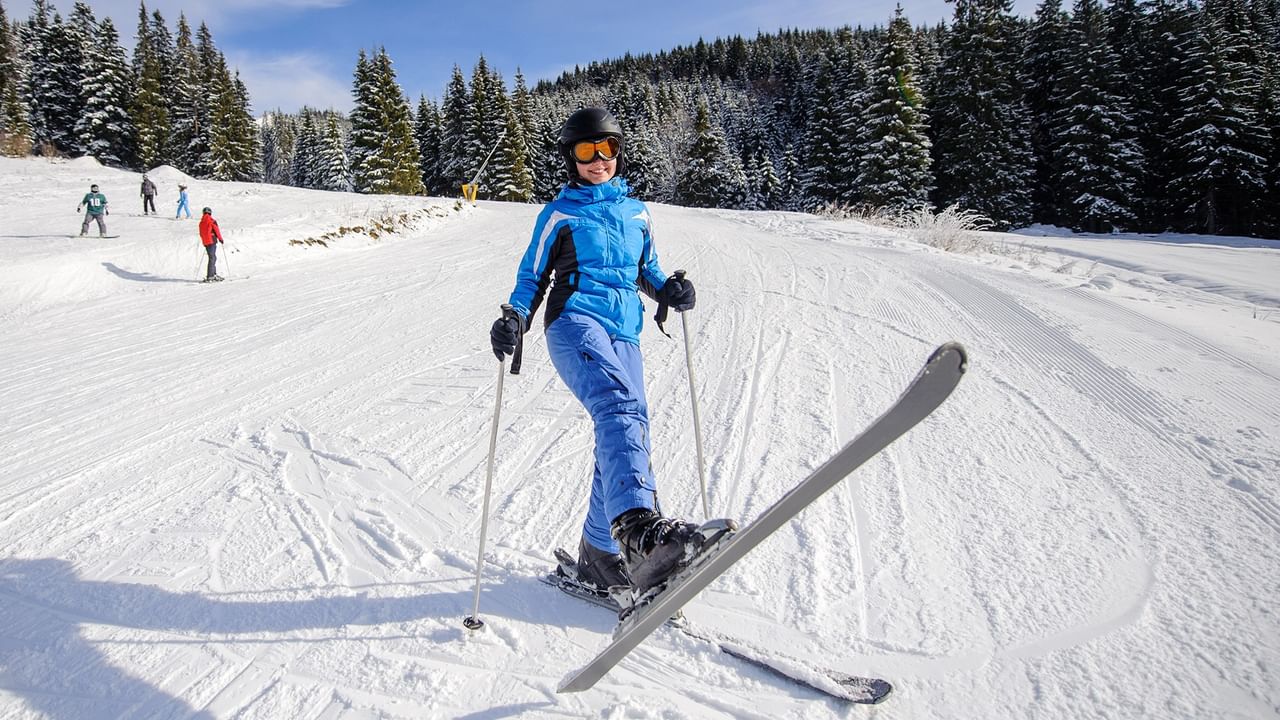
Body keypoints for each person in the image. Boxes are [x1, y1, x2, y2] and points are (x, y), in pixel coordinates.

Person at [490, 108, 719, 600]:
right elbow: (532, 277)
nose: (599, 160)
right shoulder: (559, 214)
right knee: (619, 407)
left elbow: (648, 270)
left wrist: (669, 289)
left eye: (607, 149)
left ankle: (598, 552)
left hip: (625, 331)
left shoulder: (638, 213)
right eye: (586, 151)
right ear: (570, 158)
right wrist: (515, 317)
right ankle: (638, 531)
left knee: (627, 424)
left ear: (619, 151)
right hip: (575, 321)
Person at [199, 206, 224, 281]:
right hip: (212, 241)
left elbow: (201, 233)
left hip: (206, 242)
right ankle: (210, 276)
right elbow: (216, 230)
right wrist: (220, 239)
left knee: (212, 257)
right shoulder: (212, 221)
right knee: (212, 258)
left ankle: (213, 274)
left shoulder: (201, 222)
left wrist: (204, 241)